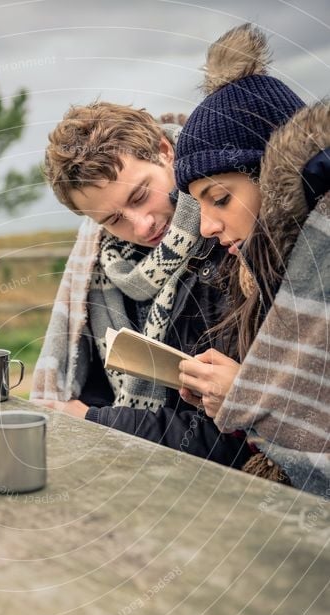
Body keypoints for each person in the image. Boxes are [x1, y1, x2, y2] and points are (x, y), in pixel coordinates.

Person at [31, 102, 252, 469]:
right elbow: (96, 390)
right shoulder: (100, 272)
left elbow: (236, 437)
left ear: (166, 152)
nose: (142, 225)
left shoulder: (233, 246)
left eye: (139, 195)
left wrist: (95, 423)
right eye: (113, 219)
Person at [174, 23, 329, 494]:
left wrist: (251, 397)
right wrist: (229, 397)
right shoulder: (261, 279)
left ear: (274, 179)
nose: (206, 227)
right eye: (197, 205)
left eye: (219, 198)